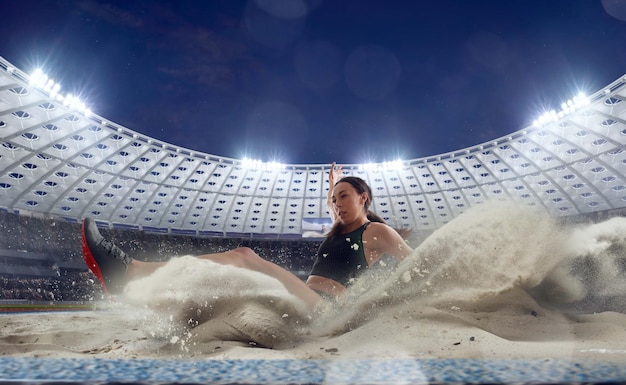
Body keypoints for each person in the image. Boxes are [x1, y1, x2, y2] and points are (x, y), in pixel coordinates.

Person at [81, 162, 414, 311]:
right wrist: (333, 183)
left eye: (345, 196)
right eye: (335, 198)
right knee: (228, 293)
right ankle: (144, 296)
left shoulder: (377, 232)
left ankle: (130, 272)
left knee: (244, 257)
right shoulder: (338, 227)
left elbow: (419, 264)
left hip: (325, 308)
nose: (337, 203)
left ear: (364, 198)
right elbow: (332, 205)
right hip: (305, 298)